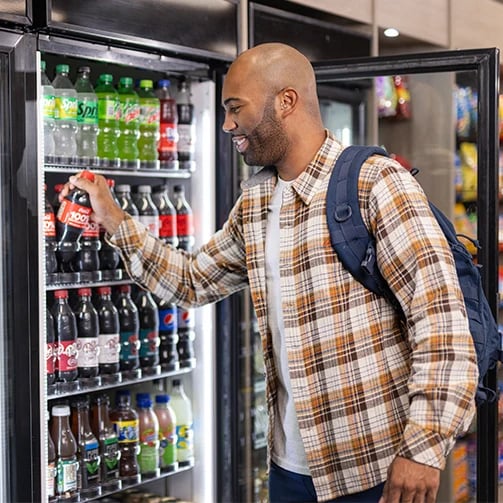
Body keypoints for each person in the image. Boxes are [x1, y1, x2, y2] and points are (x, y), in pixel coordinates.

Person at [61, 43, 478, 503]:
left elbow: (443, 328)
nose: (226, 125)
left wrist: (423, 450)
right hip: (288, 472)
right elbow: (194, 280)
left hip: (375, 470)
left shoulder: (376, 184)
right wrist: (115, 220)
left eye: (234, 108)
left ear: (286, 101)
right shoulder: (257, 201)